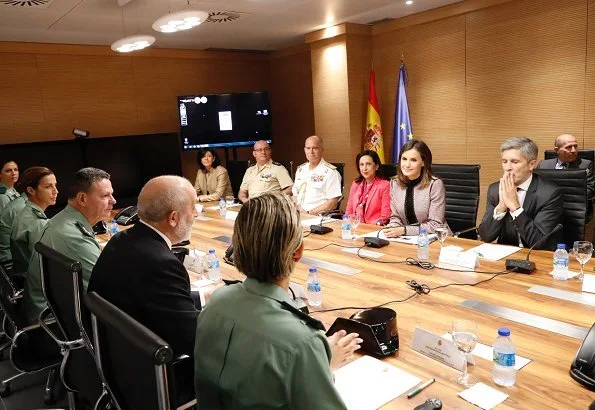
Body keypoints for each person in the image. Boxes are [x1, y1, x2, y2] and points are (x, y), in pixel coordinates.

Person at [194, 193, 361, 409]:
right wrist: (323, 366)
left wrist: (314, 358)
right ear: (298, 252)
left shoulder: (217, 301)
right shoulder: (302, 342)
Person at [89, 175, 200, 355]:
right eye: (193, 208)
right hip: (152, 367)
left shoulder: (121, 239)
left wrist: (200, 298)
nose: (195, 214)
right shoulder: (162, 263)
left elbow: (154, 299)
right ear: (173, 218)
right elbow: (192, 339)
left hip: (114, 353)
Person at [23, 167, 116, 325]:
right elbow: (110, 288)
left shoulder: (63, 220)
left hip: (48, 312)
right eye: (105, 195)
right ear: (82, 199)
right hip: (55, 323)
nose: (113, 201)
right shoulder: (73, 237)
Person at [479, 137, 563, 250]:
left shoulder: (550, 193)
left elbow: (538, 243)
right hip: (505, 254)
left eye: (514, 162)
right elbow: (486, 236)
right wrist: (501, 206)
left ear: (531, 165)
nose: (507, 168)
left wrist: (515, 207)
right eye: (504, 161)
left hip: (537, 256)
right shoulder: (495, 189)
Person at [385, 140, 449, 237]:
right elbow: (395, 217)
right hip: (406, 239)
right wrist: (392, 227)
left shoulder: (435, 184)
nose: (407, 165)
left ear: (423, 162)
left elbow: (435, 225)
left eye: (413, 160)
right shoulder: (395, 183)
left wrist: (404, 230)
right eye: (404, 159)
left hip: (436, 239)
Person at [10, 167, 58, 274]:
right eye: (48, 186)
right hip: (35, 282)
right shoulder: (38, 222)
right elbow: (47, 265)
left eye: (55, 185)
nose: (56, 191)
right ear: (31, 190)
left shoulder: (26, 213)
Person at [537, 133, 594, 220]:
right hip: (548, 209)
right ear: (557, 150)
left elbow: (590, 189)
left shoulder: (585, 165)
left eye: (575, 146)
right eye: (569, 147)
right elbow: (537, 187)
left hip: (574, 210)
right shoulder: (543, 165)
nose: (574, 150)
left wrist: (564, 200)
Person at [292, 136, 342, 215]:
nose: (311, 152)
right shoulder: (300, 170)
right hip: (298, 215)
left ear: (322, 150)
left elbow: (333, 202)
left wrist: (309, 213)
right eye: (308, 148)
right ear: (304, 150)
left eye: (315, 148)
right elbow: (295, 195)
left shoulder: (330, 172)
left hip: (318, 217)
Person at [344, 150, 391, 224]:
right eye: (361, 165)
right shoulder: (356, 184)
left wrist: (368, 226)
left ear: (376, 166)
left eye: (368, 164)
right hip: (355, 227)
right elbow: (349, 211)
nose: (364, 168)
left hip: (373, 229)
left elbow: (385, 217)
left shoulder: (385, 185)